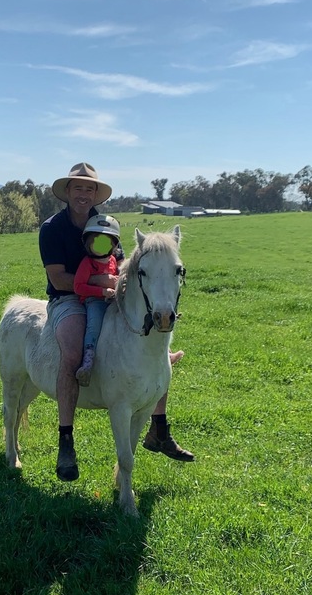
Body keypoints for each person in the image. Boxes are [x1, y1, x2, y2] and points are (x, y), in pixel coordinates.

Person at [39, 161, 195, 481]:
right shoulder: (52, 228)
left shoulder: (105, 225)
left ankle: (159, 427)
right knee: (71, 353)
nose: (83, 194)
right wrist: (100, 284)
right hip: (68, 298)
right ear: (67, 192)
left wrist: (120, 285)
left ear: (96, 193)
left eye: (89, 189)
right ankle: (66, 438)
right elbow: (58, 277)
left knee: (153, 348)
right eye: (78, 188)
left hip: (105, 297)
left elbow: (120, 265)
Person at [73, 214, 121, 386]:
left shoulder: (113, 261)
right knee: (94, 327)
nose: (100, 246)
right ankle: (88, 360)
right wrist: (101, 291)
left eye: (105, 242)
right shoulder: (87, 263)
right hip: (94, 302)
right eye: (96, 241)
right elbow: (78, 287)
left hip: (113, 300)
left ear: (113, 244)